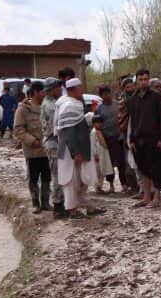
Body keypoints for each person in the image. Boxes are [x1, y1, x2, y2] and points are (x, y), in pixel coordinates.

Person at [56, 78, 99, 219]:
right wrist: (75, 153)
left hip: (79, 150)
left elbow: (78, 125)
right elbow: (68, 132)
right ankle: (72, 211)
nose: (82, 90)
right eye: (80, 88)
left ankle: (89, 207)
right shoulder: (68, 106)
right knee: (71, 181)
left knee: (82, 180)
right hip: (70, 152)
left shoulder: (75, 104)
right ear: (72, 89)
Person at [126, 69, 161, 208]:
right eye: (141, 79)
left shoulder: (156, 97)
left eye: (146, 79)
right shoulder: (132, 100)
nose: (143, 82)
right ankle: (146, 197)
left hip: (154, 139)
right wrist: (131, 140)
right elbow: (132, 121)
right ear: (137, 81)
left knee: (156, 169)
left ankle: (156, 198)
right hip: (139, 140)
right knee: (143, 169)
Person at [13, 80, 50, 212]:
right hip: (32, 151)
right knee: (33, 178)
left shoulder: (46, 107)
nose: (45, 94)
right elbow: (18, 129)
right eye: (43, 92)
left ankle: (46, 203)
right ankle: (35, 203)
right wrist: (32, 141)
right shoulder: (23, 109)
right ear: (35, 92)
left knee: (47, 177)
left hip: (47, 149)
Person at [94, 85, 132, 193]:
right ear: (101, 96)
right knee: (108, 163)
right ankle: (111, 185)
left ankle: (124, 184)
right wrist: (101, 138)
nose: (106, 96)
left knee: (121, 162)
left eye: (107, 93)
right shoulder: (99, 109)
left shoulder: (118, 105)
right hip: (106, 138)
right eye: (103, 94)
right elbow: (97, 125)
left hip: (119, 137)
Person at [40, 77, 64, 216]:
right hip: (53, 142)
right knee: (57, 175)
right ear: (51, 90)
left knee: (59, 174)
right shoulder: (51, 106)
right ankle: (58, 204)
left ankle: (60, 203)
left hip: (53, 142)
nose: (60, 89)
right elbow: (55, 128)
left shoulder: (52, 102)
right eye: (57, 87)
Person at [90, 114, 114, 193]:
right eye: (97, 123)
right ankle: (97, 187)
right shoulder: (93, 132)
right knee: (98, 172)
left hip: (103, 154)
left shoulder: (100, 132)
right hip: (98, 155)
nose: (99, 124)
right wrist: (95, 154)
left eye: (100, 123)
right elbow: (93, 144)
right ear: (94, 123)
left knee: (102, 171)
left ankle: (100, 186)